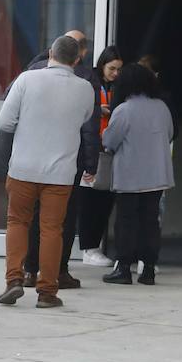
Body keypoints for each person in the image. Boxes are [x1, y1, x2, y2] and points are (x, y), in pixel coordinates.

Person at [0, 35, 94, 308]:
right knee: (52, 229)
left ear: (50, 53)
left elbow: (4, 122)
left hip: (23, 167)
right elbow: (85, 118)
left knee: (17, 222)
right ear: (77, 59)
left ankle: (14, 280)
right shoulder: (85, 88)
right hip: (61, 172)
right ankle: (48, 292)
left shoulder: (27, 79)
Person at [100, 63, 175, 285]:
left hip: (130, 176)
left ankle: (123, 267)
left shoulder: (124, 110)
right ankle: (148, 268)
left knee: (126, 221)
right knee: (151, 222)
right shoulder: (162, 107)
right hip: (157, 175)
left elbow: (109, 141)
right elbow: (169, 134)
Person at [78, 46, 122, 267]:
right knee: (89, 201)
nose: (115, 74)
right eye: (112, 68)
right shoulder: (90, 83)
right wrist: (99, 110)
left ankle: (94, 245)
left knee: (105, 200)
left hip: (111, 150)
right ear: (102, 65)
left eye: (118, 70)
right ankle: (88, 247)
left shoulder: (120, 87)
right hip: (92, 148)